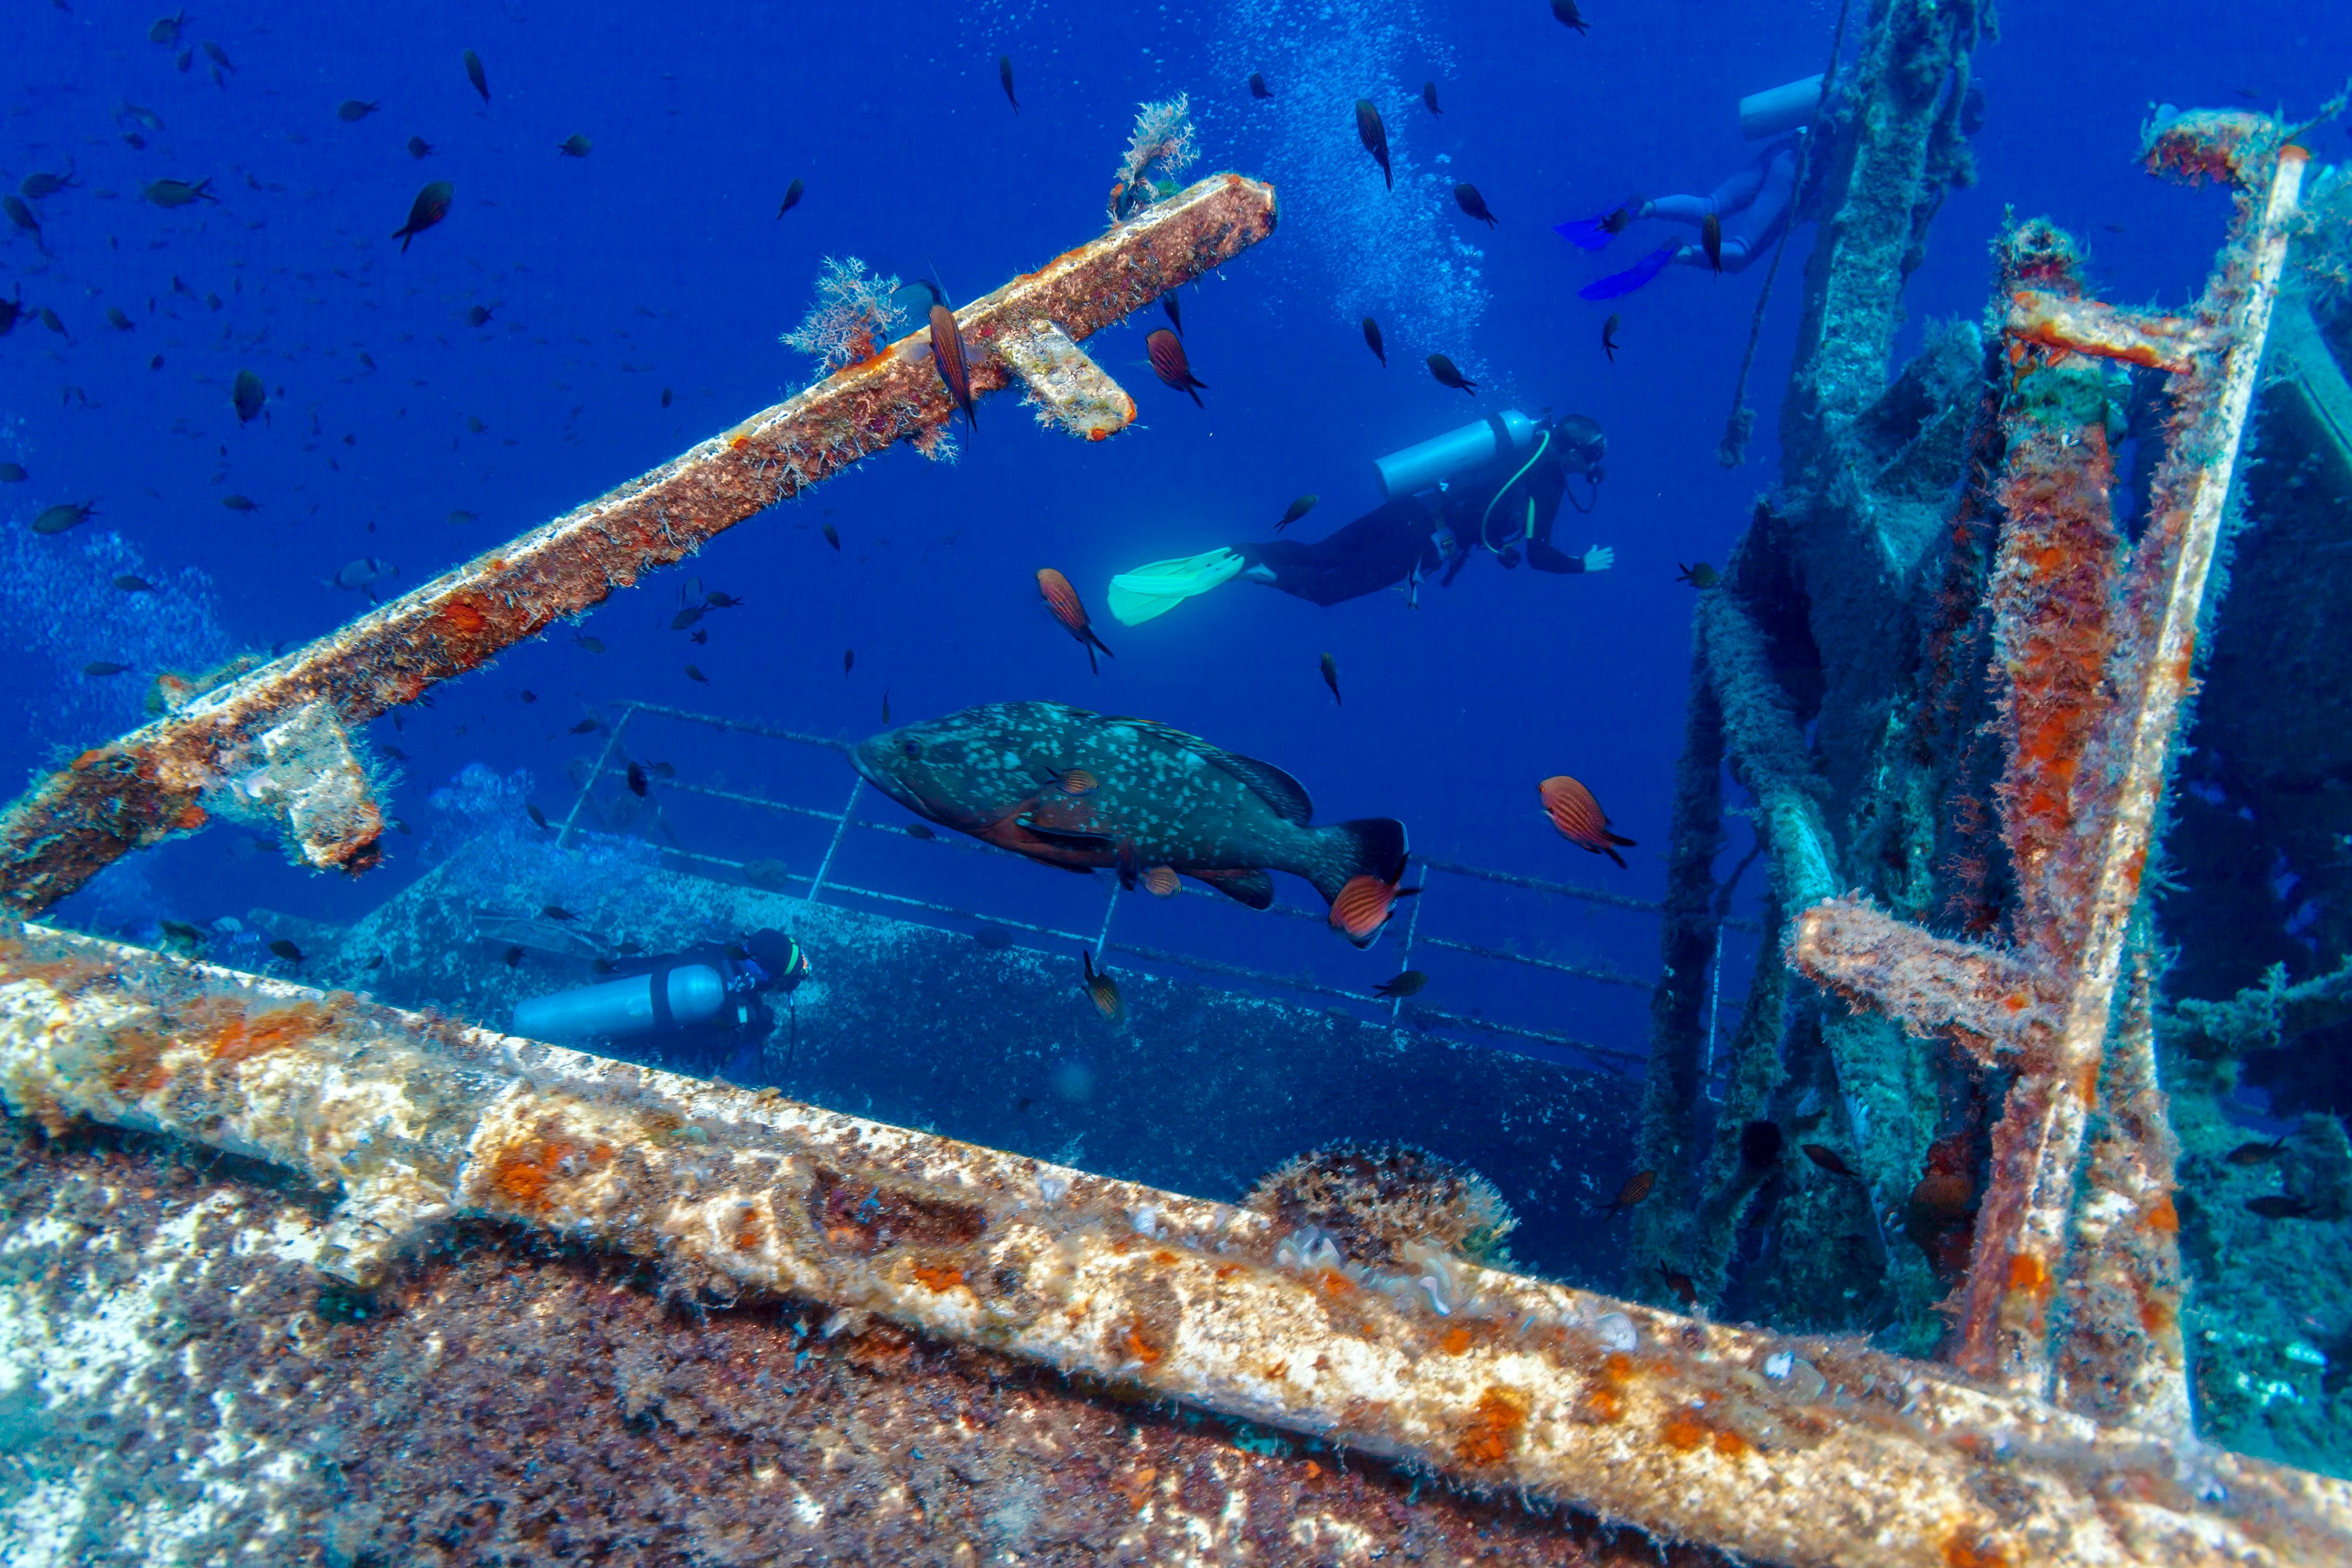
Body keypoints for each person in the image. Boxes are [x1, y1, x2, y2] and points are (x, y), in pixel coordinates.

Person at [1107, 410, 1614, 625]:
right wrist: (1581, 565)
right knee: (1326, 590)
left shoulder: (1521, 439)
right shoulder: (1545, 481)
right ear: (1573, 452)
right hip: (1423, 542)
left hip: (1409, 507)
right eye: (1592, 456)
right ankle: (1248, 568)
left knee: (1317, 554)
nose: (1592, 466)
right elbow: (1538, 554)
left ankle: (1242, 551)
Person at [1554, 73, 1821, 300]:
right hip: (1799, 167)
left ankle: (1646, 207)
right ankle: (1680, 252)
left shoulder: (1836, 87)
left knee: (1711, 205)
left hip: (1783, 148)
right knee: (1743, 251)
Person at [510, 928, 810, 1081]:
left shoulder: (714, 950)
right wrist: (754, 1035)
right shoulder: (744, 1013)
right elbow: (729, 1078)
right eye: (786, 983)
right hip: (638, 1045)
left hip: (621, 989)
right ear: (772, 977)